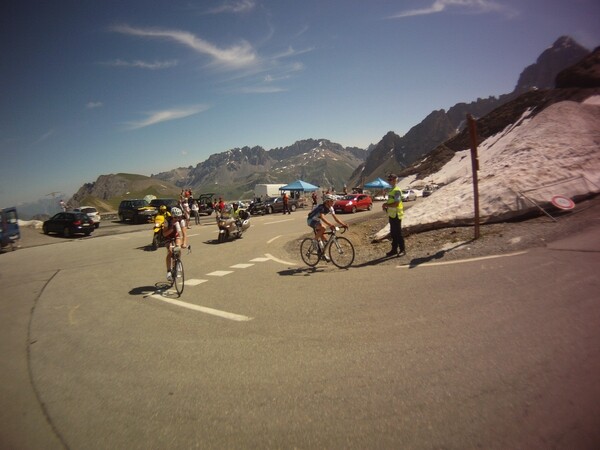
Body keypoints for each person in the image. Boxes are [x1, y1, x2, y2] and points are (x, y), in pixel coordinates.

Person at [382, 174, 406, 257]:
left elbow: (396, 203)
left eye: (391, 179)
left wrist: (386, 205)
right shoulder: (392, 189)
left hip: (397, 214)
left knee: (398, 233)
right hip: (392, 214)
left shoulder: (397, 190)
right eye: (389, 180)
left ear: (395, 180)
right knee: (393, 233)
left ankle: (402, 249)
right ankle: (394, 249)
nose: (389, 181)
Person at [162, 206, 186, 281]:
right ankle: (169, 271)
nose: (177, 219)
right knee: (170, 251)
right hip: (168, 237)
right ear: (172, 216)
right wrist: (171, 229)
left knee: (178, 249)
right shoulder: (167, 221)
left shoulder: (181, 221)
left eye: (179, 217)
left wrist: (184, 243)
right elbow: (164, 234)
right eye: (176, 217)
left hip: (176, 236)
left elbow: (184, 233)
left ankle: (177, 264)